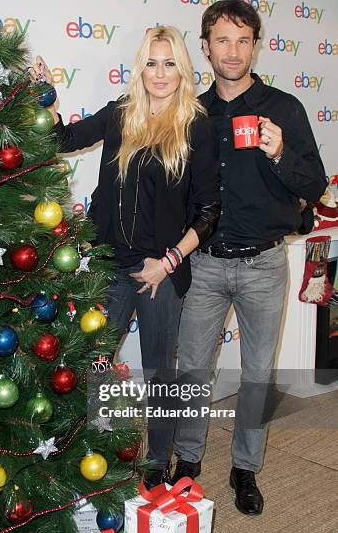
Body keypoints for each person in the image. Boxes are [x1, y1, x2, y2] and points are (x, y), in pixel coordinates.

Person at [33, 26, 221, 489]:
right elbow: (63, 140)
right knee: (94, 363)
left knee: (160, 371)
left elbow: (210, 210)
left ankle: (157, 461)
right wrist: (44, 101)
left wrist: (170, 262)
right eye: (152, 63)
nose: (160, 73)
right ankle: (96, 447)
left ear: (182, 69)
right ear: (141, 67)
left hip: (160, 272)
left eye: (170, 63)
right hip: (109, 266)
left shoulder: (197, 124)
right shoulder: (121, 113)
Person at [173, 0, 327, 513]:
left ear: (255, 45)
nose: (232, 51)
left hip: (264, 264)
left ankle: (245, 468)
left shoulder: (284, 108)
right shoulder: (192, 113)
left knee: (258, 374)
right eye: (222, 40)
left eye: (242, 40)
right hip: (206, 264)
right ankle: (188, 463)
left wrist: (280, 152)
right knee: (193, 368)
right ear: (206, 46)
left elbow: (314, 184)